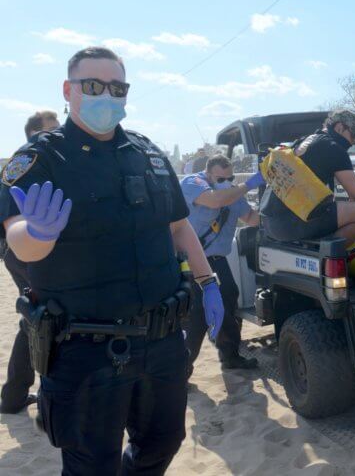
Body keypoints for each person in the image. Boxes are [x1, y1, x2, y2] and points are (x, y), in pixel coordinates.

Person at [0, 46, 225, 475]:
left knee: (163, 443)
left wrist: (208, 281)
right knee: (91, 465)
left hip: (160, 340)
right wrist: (37, 233)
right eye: (93, 85)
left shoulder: (148, 153)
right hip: (83, 350)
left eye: (117, 87)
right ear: (68, 90)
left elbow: (179, 227)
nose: (107, 95)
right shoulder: (41, 159)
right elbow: (17, 237)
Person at [0, 110, 60, 414]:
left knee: (35, 317)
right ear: (36, 132)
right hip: (26, 252)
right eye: (52, 130)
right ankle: (24, 395)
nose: (58, 134)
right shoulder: (28, 159)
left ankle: (13, 396)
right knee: (44, 318)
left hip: (26, 253)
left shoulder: (40, 158)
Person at [181, 154, 263, 374]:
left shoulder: (233, 193)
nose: (226, 182)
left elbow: (251, 218)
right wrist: (249, 184)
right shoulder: (193, 183)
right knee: (197, 313)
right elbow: (215, 200)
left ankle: (231, 356)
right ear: (208, 174)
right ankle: (182, 370)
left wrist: (273, 209)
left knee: (228, 300)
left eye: (230, 178)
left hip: (217, 260)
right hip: (193, 260)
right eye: (220, 179)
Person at [260, 109, 355, 245]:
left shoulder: (306, 140)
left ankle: (323, 245)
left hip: (270, 222)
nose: (354, 142)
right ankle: (326, 254)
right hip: (289, 224)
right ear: (339, 128)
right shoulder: (333, 147)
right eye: (353, 136)